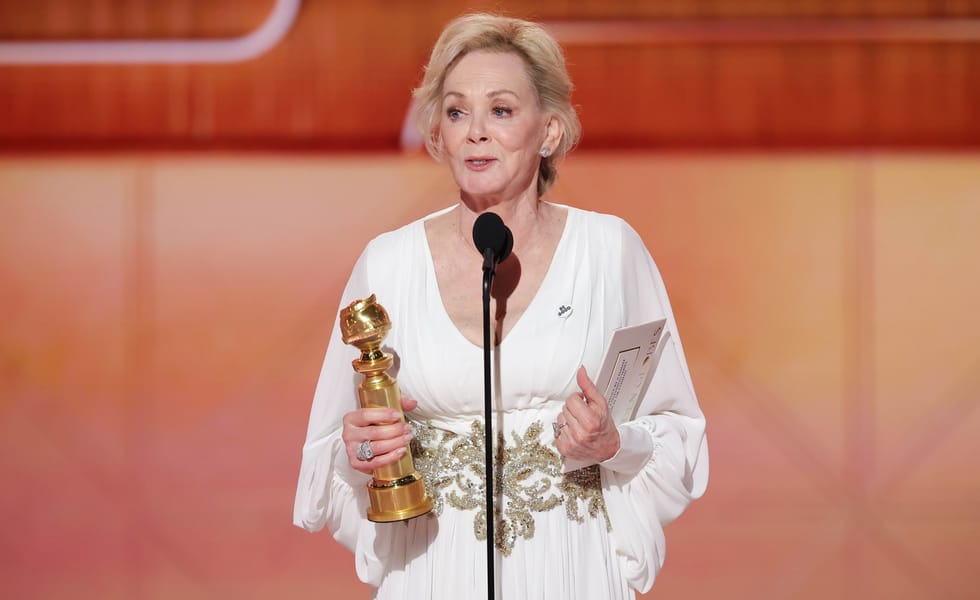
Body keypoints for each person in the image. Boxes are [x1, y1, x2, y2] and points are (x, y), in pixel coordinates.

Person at [293, 13, 708, 600]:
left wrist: (613, 444)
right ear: (438, 133)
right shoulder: (387, 263)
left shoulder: (610, 250)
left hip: (571, 567)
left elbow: (676, 430)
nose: (475, 132)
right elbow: (330, 454)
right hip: (432, 570)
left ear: (551, 132)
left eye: (502, 110)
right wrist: (362, 449)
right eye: (457, 112)